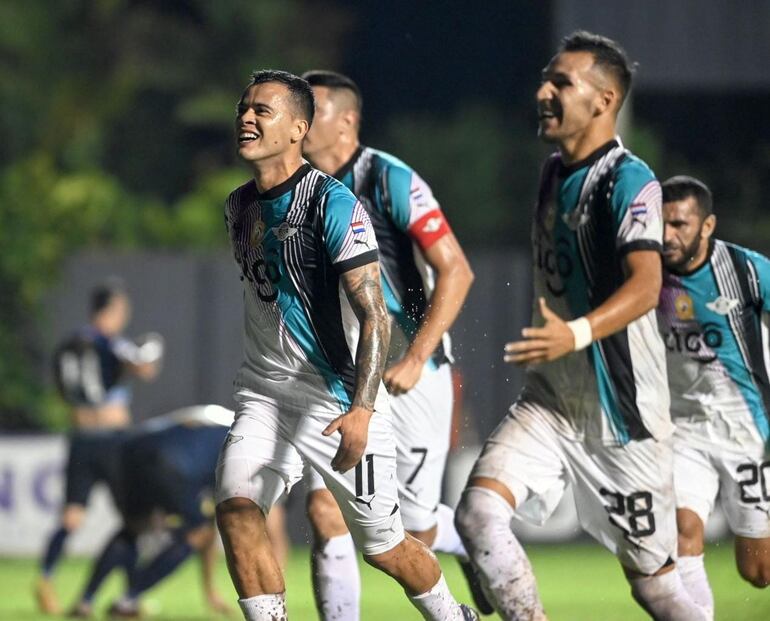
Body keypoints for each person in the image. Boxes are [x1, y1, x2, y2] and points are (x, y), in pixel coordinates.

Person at [454, 31, 709, 620]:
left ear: (603, 99)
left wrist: (576, 333)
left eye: (560, 82)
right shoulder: (551, 172)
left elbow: (646, 286)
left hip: (622, 416)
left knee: (656, 587)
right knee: (476, 516)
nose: (543, 92)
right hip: (551, 401)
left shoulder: (629, 179)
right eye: (546, 78)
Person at [214, 69, 477, 621]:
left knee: (387, 548)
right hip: (262, 395)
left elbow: (374, 313)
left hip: (333, 401)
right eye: (244, 107)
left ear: (298, 128)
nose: (246, 117)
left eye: (263, 110)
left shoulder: (333, 203)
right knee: (237, 509)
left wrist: (361, 409)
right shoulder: (238, 206)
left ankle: (454, 615)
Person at [299, 69, 482, 619]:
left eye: (314, 111)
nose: (301, 122)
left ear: (347, 121)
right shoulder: (296, 188)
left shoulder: (388, 177)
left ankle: (463, 538)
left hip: (409, 374)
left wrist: (418, 354)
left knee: (415, 528)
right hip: (342, 376)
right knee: (325, 509)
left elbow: (458, 272)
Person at [658, 175, 770, 618]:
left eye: (680, 225)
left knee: (758, 571)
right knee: (682, 532)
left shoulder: (745, 270)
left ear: (707, 226)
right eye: (662, 224)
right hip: (683, 429)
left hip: (747, 430)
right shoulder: (647, 273)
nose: (668, 236)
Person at [36, 279, 162, 614]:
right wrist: (150, 354)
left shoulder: (71, 343)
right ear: (114, 310)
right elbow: (144, 367)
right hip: (112, 440)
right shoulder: (112, 344)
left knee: (71, 517)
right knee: (134, 520)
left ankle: (46, 577)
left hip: (80, 439)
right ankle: (129, 596)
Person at [67, 405, 236, 619]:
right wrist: (210, 589)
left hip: (134, 451)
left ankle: (85, 601)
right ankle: (128, 600)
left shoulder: (215, 416)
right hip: (175, 464)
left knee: (134, 527)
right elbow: (212, 522)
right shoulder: (244, 441)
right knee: (198, 533)